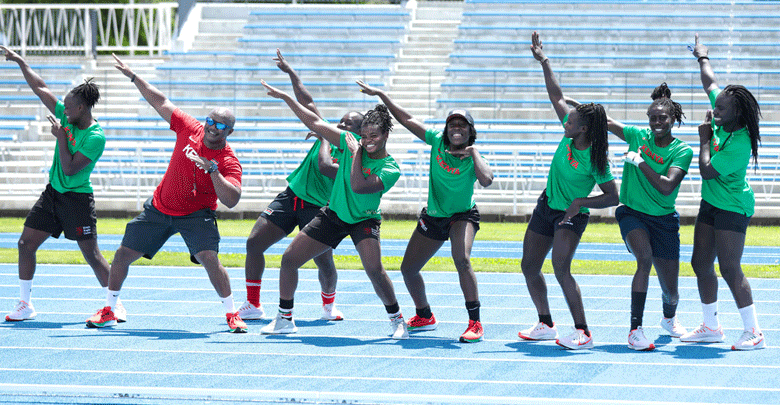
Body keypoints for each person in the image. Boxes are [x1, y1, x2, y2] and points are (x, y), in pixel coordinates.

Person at [85, 54, 247, 333]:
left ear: (229, 131)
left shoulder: (228, 159)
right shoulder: (190, 128)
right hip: (160, 208)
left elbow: (232, 200)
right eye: (211, 121)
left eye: (220, 125)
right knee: (123, 254)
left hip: (196, 215)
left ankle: (232, 314)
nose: (212, 127)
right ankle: (110, 308)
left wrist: (213, 171)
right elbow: (160, 101)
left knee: (210, 258)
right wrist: (134, 78)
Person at [260, 80, 409, 339]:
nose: (368, 141)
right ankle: (285, 318)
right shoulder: (350, 141)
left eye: (374, 136)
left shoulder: (390, 167)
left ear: (385, 135)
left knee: (374, 270)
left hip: (364, 220)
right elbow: (316, 123)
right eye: (364, 135)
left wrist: (355, 153)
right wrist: (286, 98)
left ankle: (397, 320)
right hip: (334, 215)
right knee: (289, 260)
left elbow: (358, 186)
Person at [356, 81, 494, 343]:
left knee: (461, 259)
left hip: (462, 216)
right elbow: (407, 120)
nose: (456, 128)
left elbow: (486, 180)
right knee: (408, 268)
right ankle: (425, 315)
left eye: (462, 125)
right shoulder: (436, 141)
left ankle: (475, 322)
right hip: (434, 215)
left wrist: (474, 152)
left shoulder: (475, 156)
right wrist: (383, 96)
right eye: (452, 124)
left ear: (469, 131)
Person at [1, 45, 125, 322]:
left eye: (67, 108)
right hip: (52, 194)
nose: (63, 110)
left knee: (92, 255)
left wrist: (60, 137)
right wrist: (21, 62)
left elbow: (69, 170)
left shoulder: (95, 137)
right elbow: (41, 88)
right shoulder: (67, 115)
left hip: (77, 199)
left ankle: (113, 304)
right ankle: (25, 304)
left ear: (81, 108)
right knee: (25, 244)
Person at [239, 49, 363, 322]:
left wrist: (323, 139)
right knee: (254, 243)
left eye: (349, 123)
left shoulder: (354, 153)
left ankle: (329, 306)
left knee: (324, 261)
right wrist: (291, 72)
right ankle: (253, 304)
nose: (341, 125)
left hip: (319, 208)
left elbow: (325, 167)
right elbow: (307, 101)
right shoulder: (328, 131)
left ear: (360, 132)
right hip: (292, 196)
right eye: (341, 121)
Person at [517, 32, 619, 350]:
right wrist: (544, 60)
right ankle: (546, 323)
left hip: (570, 215)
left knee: (561, 269)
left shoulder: (597, 158)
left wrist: (580, 203)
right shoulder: (568, 136)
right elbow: (556, 96)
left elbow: (613, 196)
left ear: (584, 128)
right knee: (529, 266)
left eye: (571, 120)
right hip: (546, 206)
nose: (565, 121)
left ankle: (583, 331)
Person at [682, 35, 765, 350]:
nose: (714, 110)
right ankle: (711, 325)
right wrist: (702, 57)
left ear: (736, 113)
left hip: (732, 205)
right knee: (700, 263)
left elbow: (706, 170)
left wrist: (704, 137)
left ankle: (754, 331)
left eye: (720, 109)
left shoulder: (740, 144)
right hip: (712, 202)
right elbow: (710, 82)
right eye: (715, 107)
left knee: (730, 267)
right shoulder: (722, 106)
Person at [604, 83, 693, 351]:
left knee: (671, 291)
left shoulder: (682, 151)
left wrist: (638, 161)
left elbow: (666, 186)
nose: (657, 122)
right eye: (652, 118)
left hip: (664, 220)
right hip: (632, 213)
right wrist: (573, 102)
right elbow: (604, 121)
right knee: (644, 258)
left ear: (673, 119)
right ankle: (635, 330)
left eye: (662, 118)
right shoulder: (637, 135)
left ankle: (669, 319)